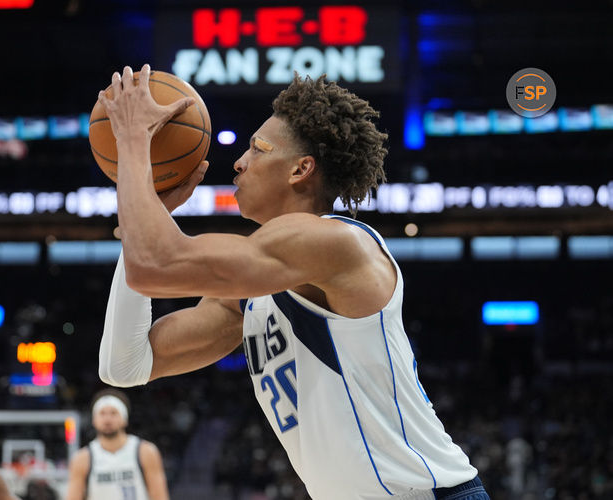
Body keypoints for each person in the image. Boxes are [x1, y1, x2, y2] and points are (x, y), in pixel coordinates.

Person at [96, 64, 490, 499]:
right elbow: (125, 365)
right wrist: (144, 212)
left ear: (301, 169)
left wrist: (133, 144)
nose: (239, 162)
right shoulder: (254, 289)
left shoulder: (335, 242)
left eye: (258, 149)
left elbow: (153, 263)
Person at [65, 389, 168, 500]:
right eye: (102, 413)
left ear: (125, 419)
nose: (107, 419)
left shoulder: (145, 451)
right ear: (94, 420)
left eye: (114, 413)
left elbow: (160, 496)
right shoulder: (82, 458)